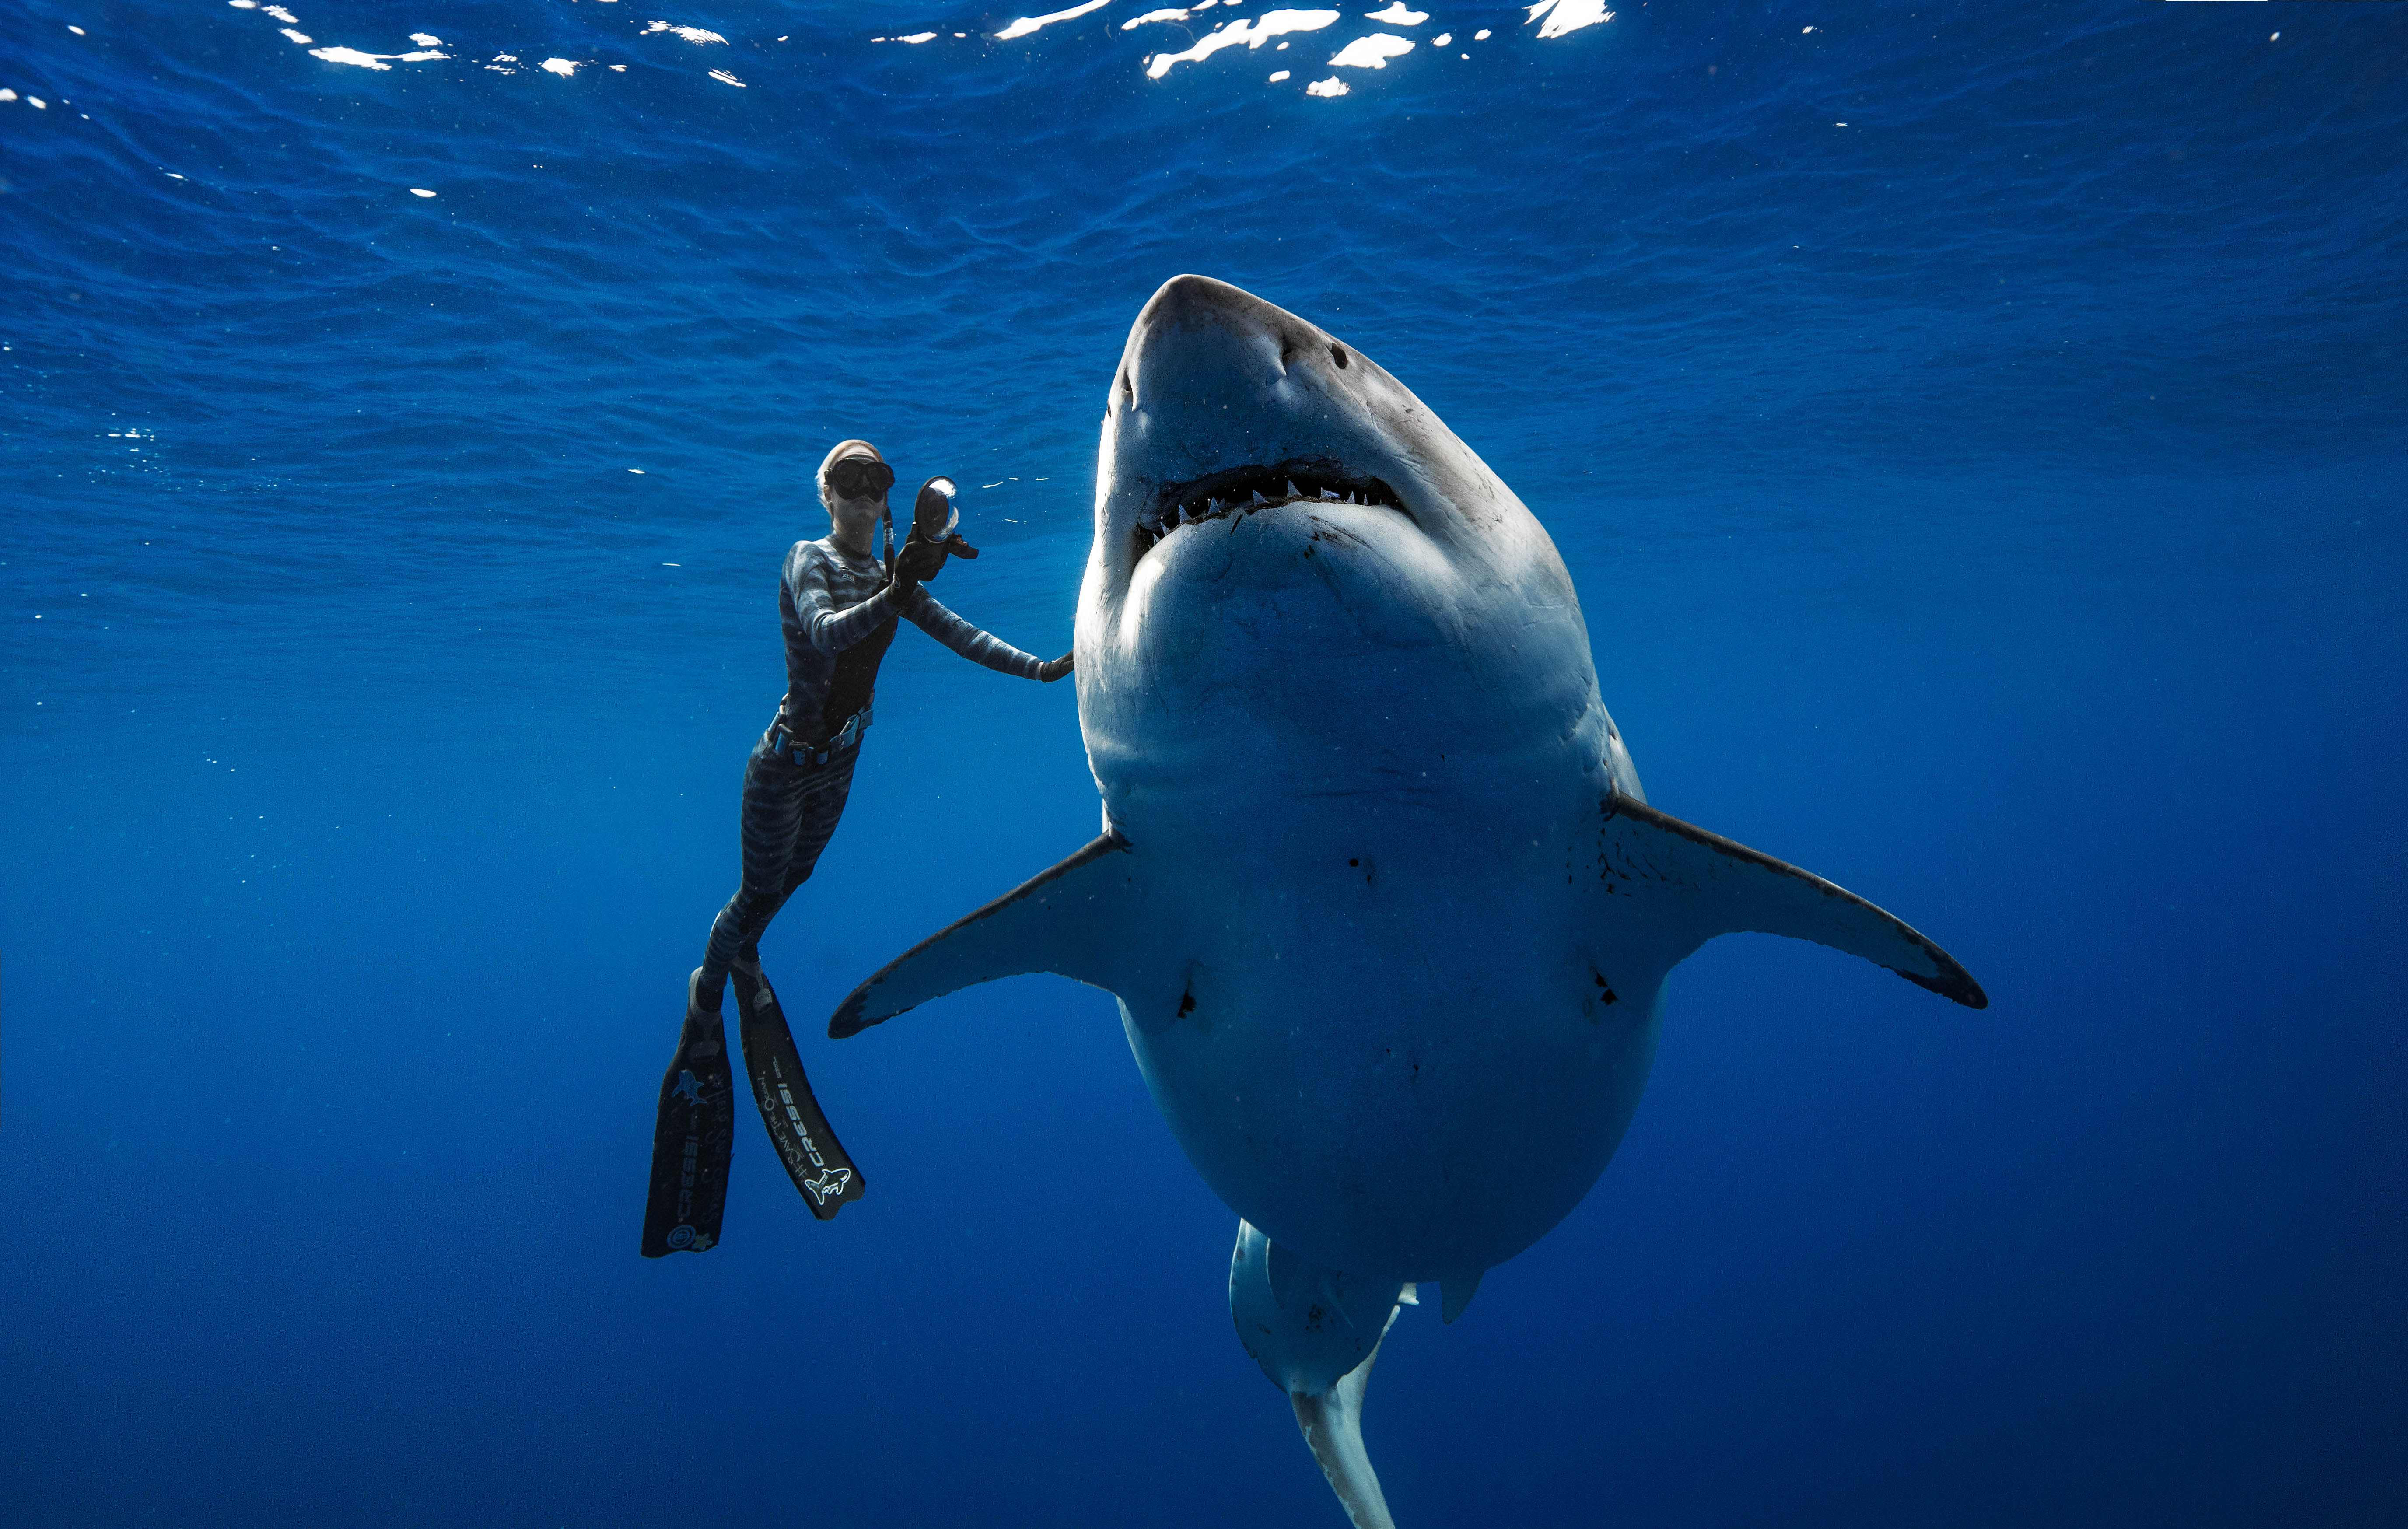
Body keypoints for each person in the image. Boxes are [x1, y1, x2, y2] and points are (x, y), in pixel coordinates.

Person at [640, 440, 1070, 1256]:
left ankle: (744, 960)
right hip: (782, 768)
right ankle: (707, 993)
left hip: (841, 763)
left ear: (886, 499)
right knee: (755, 896)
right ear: (826, 495)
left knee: (792, 882)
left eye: (877, 483)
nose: (865, 496)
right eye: (850, 481)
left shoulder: (890, 580)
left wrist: (1045, 670)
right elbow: (828, 634)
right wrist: (902, 585)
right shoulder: (809, 559)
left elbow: (960, 633)